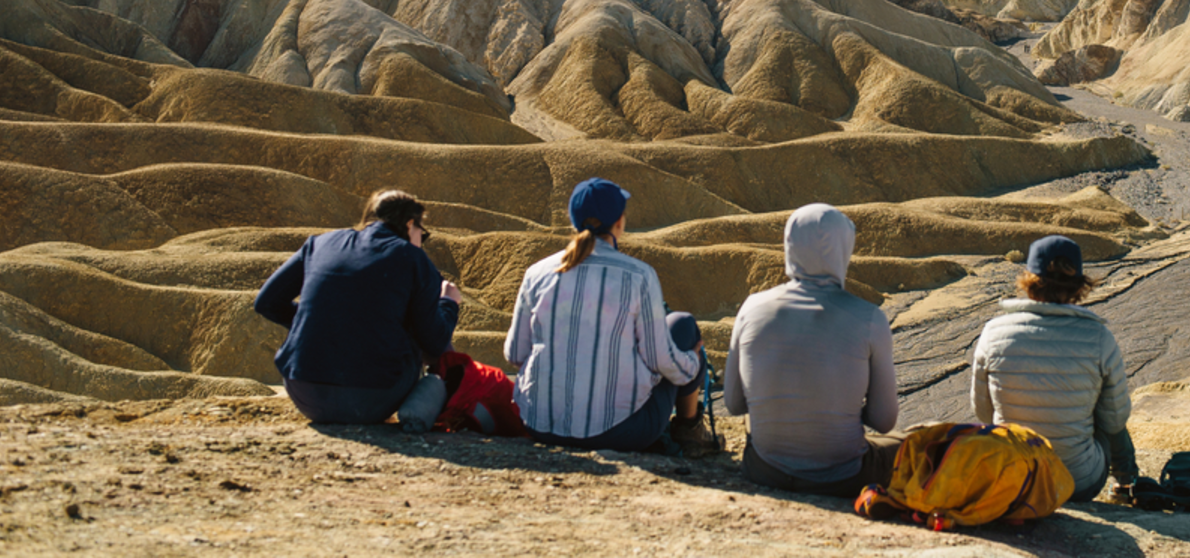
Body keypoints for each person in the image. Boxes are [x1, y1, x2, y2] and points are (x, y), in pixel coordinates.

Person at [505, 177, 718, 454]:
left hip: (538, 425)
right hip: (619, 433)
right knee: (683, 326)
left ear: (573, 221)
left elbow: (514, 353)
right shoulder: (638, 275)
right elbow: (660, 359)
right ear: (619, 222)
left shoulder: (537, 272)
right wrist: (694, 363)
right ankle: (689, 433)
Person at [724, 203, 902, 497]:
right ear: (844, 250)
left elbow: (734, 404)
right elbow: (884, 421)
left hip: (764, 470)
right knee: (919, 442)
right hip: (844, 477)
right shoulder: (869, 318)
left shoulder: (751, 308)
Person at [254, 189, 462, 425]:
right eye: (422, 235)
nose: (421, 243)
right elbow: (433, 341)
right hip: (371, 399)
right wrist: (449, 303)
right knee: (422, 324)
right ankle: (447, 400)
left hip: (305, 394)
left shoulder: (319, 243)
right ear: (410, 223)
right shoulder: (412, 258)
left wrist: (322, 322)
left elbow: (266, 302)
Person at [970, 234, 1138, 502]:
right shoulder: (1098, 337)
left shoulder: (992, 333)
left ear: (1028, 280)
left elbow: (983, 412)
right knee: (1105, 405)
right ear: (1079, 285)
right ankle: (1126, 484)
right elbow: (1115, 421)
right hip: (1077, 482)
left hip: (1014, 477)